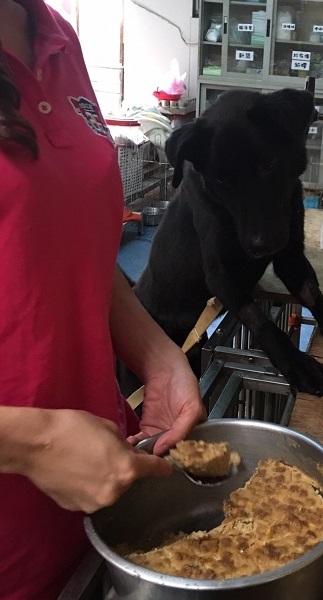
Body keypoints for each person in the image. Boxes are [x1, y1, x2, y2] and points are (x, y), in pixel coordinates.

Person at [0, 1, 206, 598]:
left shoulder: (53, 31)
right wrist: (32, 446)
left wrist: (158, 355)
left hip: (95, 501)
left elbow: (61, 245)